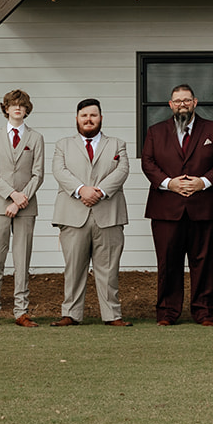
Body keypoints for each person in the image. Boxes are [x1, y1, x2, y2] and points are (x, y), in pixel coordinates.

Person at [140, 83, 213, 325]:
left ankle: (204, 313)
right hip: (166, 208)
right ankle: (167, 313)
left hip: (205, 207)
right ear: (171, 105)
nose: (182, 104)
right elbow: (148, 163)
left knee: (204, 262)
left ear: (195, 102)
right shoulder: (155, 131)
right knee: (168, 263)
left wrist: (203, 182)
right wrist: (169, 183)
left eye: (186, 100)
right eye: (177, 101)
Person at [48, 98, 132, 326]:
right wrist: (81, 190)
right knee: (74, 268)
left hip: (108, 214)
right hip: (73, 216)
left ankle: (112, 315)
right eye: (84, 115)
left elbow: (122, 170)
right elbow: (59, 171)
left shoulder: (117, 144)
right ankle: (71, 314)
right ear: (77, 119)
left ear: (101, 118)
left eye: (93, 115)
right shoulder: (62, 145)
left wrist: (100, 192)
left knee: (108, 269)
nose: (88, 119)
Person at [0, 89, 45, 327]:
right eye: (13, 104)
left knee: (22, 259)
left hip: (26, 207)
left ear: (27, 109)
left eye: (22, 105)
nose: (17, 108)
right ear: (5, 108)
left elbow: (38, 174)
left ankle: (21, 312)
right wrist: (11, 196)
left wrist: (21, 199)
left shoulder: (36, 138)